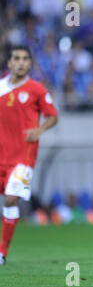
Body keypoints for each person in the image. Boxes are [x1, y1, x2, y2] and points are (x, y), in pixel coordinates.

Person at [0, 46, 58, 265]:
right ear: (10, 63)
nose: (21, 62)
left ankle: (2, 251)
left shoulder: (37, 90)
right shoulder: (1, 88)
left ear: (30, 64)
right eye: (17, 58)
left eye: (25, 59)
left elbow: (53, 116)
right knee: (10, 202)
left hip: (23, 158)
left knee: (11, 198)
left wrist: (39, 130)